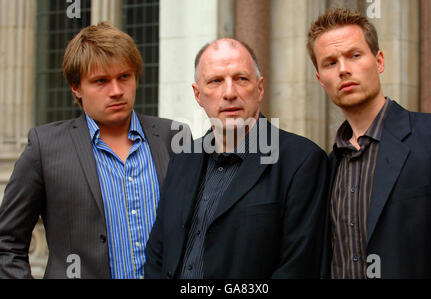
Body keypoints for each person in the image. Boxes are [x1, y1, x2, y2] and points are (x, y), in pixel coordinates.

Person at [0, 22, 185, 279]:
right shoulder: (46, 148)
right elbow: (6, 244)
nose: (117, 91)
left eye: (124, 77)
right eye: (101, 81)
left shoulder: (173, 136)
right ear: (76, 87)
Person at [143, 38, 328, 279]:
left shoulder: (302, 161)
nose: (229, 93)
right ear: (198, 95)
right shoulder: (182, 159)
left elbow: (298, 268)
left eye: (241, 79)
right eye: (216, 81)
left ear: (259, 88)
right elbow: (157, 253)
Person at [307, 8, 431, 278]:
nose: (344, 69)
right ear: (320, 80)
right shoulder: (327, 165)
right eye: (330, 63)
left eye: (354, 55)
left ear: (379, 60)